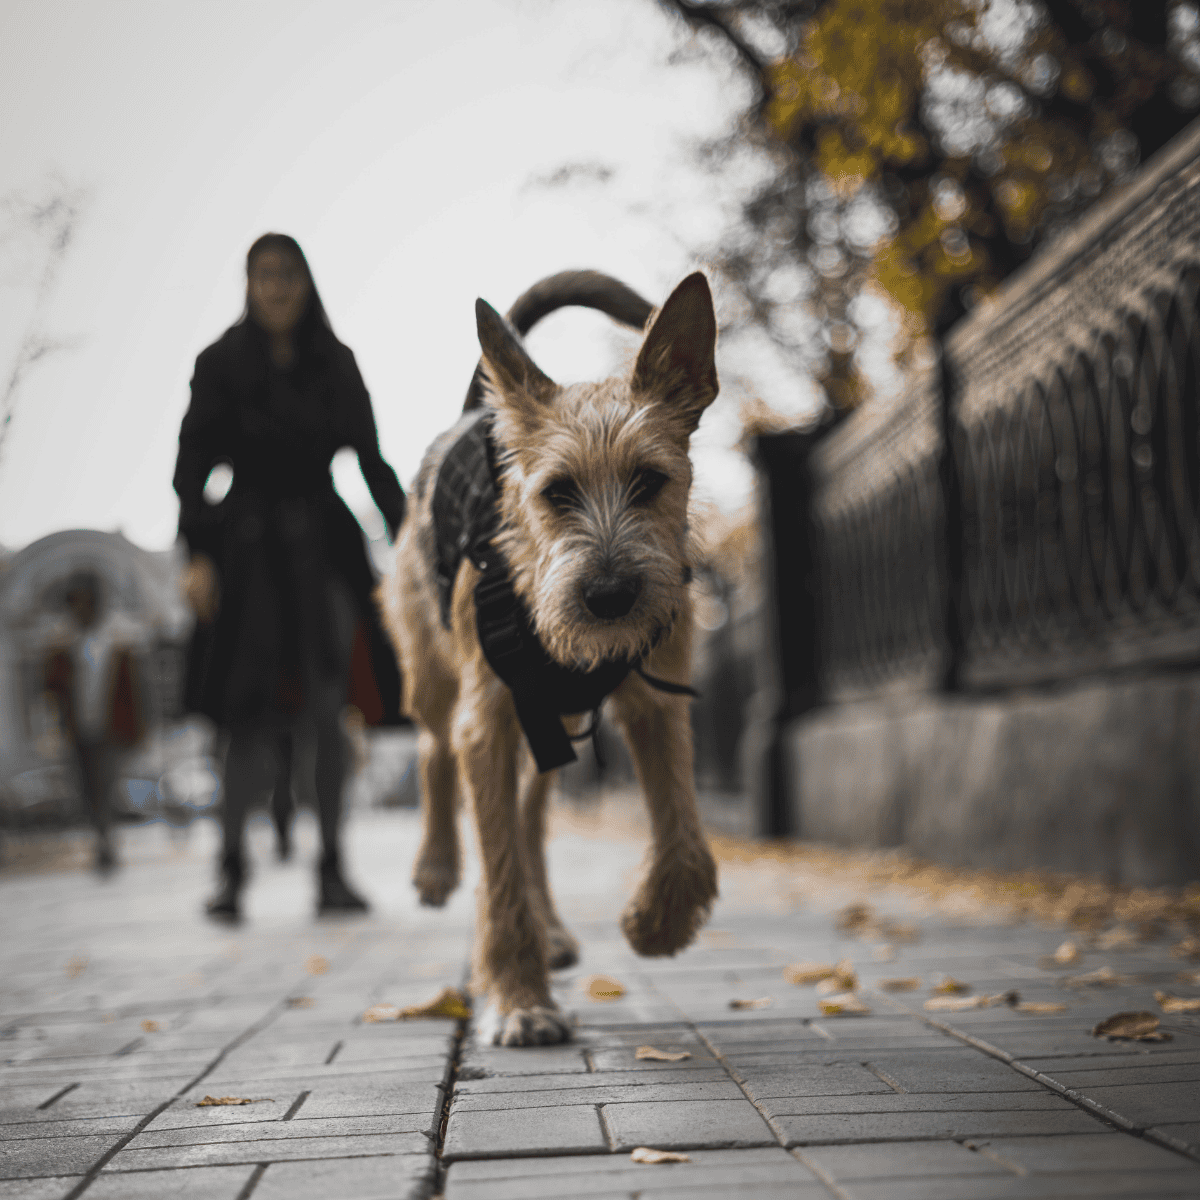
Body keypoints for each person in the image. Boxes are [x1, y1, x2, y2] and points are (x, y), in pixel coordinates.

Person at [173, 232, 406, 920]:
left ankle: (332, 868)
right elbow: (190, 469)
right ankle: (230, 872)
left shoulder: (337, 361)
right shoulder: (219, 362)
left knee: (327, 714)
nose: (277, 286)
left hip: (322, 550)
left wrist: (411, 537)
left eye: (288, 273)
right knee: (245, 719)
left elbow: (371, 461)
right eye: (264, 274)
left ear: (306, 281)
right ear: (248, 284)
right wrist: (197, 554)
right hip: (245, 555)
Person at [43, 570, 145, 871]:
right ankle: (101, 839)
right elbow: (52, 689)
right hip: (78, 729)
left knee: (105, 784)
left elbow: (136, 690)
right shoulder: (65, 644)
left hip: (110, 728)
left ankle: (105, 842)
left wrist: (138, 728)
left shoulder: (115, 641)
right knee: (86, 786)